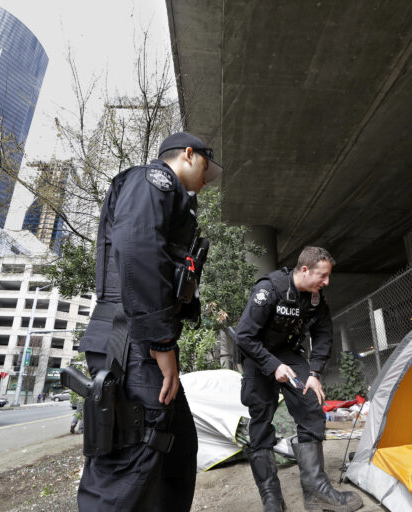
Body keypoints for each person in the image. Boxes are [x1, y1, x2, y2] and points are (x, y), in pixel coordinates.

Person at [76, 132, 222, 511]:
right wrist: (161, 342)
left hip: (137, 340)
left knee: (175, 451)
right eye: (207, 166)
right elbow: (138, 251)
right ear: (188, 155)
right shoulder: (152, 180)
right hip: (130, 343)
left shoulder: (172, 196)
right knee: (128, 467)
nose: (208, 179)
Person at [235, 247, 363, 512]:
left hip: (288, 353)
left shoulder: (316, 298)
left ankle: (317, 492)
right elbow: (244, 336)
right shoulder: (269, 290)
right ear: (305, 270)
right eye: (323, 276)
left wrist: (314, 374)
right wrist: (272, 366)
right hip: (257, 353)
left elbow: (324, 334)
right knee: (260, 420)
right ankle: (271, 498)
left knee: (311, 406)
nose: (326, 282)